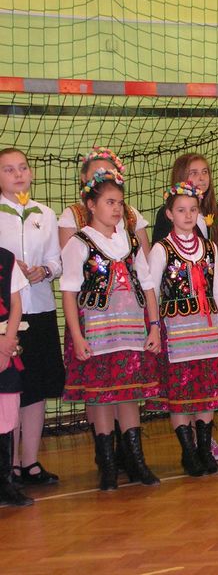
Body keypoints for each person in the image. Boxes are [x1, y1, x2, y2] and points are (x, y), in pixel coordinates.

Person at [61, 168, 161, 491]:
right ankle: (107, 466)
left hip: (131, 331)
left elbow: (147, 284)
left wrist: (154, 327)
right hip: (97, 333)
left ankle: (137, 461)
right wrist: (77, 337)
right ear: (91, 205)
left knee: (128, 394)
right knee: (101, 396)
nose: (117, 208)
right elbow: (69, 293)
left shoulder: (130, 240)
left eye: (119, 202)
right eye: (109, 202)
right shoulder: (79, 243)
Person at [148, 181, 218, 476]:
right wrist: (154, 328)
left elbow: (217, 289)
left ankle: (204, 450)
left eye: (193, 210)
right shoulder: (161, 249)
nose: (188, 215)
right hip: (177, 333)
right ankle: (188, 453)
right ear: (169, 214)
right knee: (181, 394)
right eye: (181, 210)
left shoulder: (209, 248)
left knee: (207, 390)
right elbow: (152, 292)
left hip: (207, 329)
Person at [0, 148, 64, 488]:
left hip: (39, 310)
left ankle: (31, 463)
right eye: (9, 169)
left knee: (35, 388)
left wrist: (45, 271)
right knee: (8, 391)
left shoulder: (46, 214)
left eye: (22, 168)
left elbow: (57, 261)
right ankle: (7, 466)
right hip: (5, 316)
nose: (18, 174)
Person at [0, 247, 33, 506]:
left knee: (6, 416)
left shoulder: (6, 258)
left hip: (5, 346)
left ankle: (5, 483)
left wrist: (7, 343)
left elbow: (16, 304)